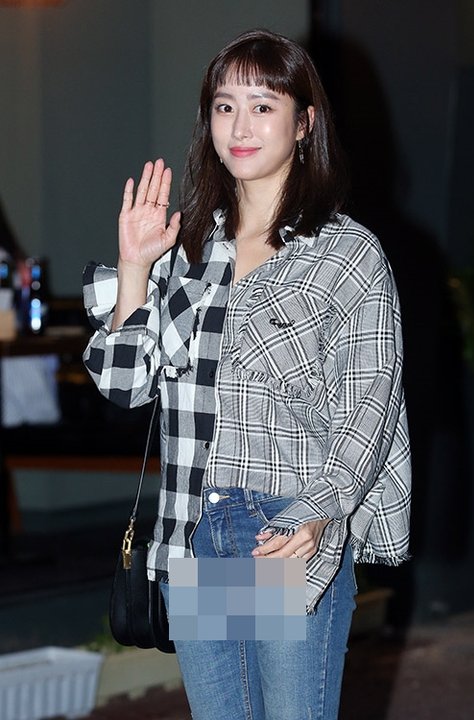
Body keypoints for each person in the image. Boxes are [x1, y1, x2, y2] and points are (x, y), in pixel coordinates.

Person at [83, 29, 411, 720]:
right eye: (224, 106)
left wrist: (320, 509)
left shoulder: (345, 255)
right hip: (197, 533)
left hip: (282, 529)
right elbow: (124, 385)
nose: (240, 126)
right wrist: (136, 266)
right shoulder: (189, 250)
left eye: (263, 106)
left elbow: (370, 404)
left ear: (305, 123)